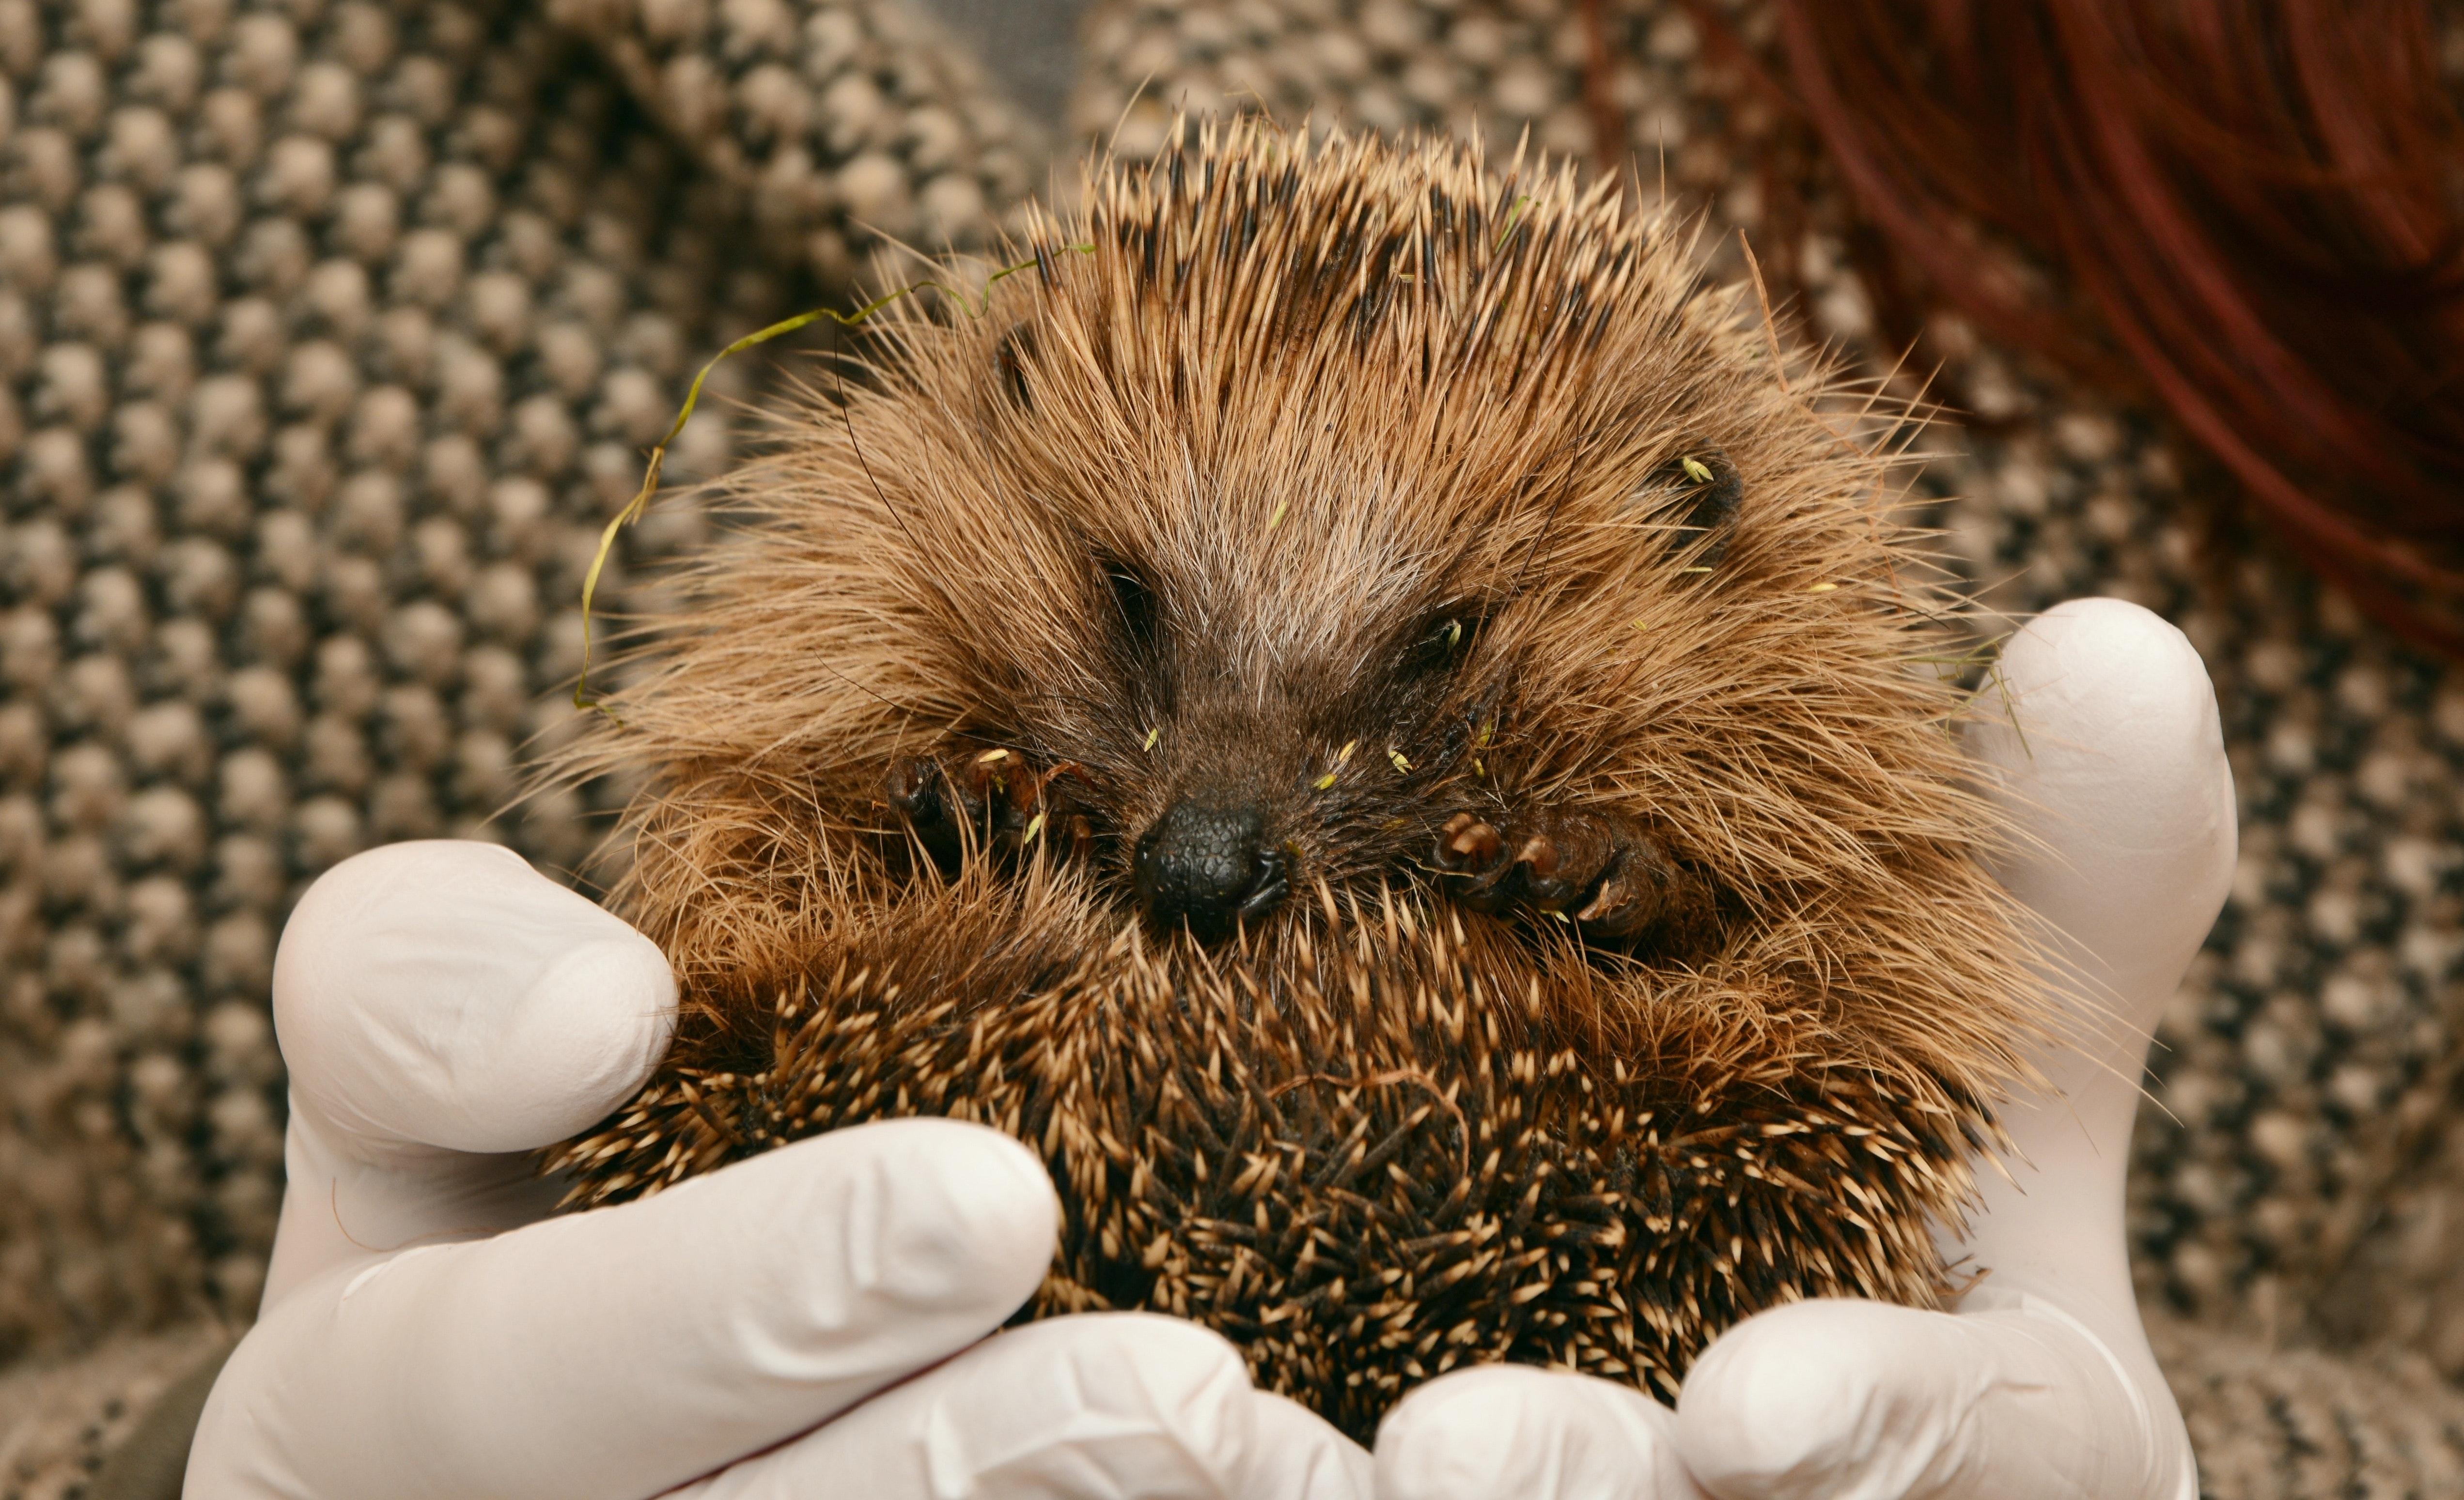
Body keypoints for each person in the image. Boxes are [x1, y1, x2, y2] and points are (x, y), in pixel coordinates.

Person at [185, 597, 2232, 1500]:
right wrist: (153, 1469)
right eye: (1140, 629)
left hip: (1620, 1212)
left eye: (1431, 658)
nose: (1213, 825)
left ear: (1690, 526)